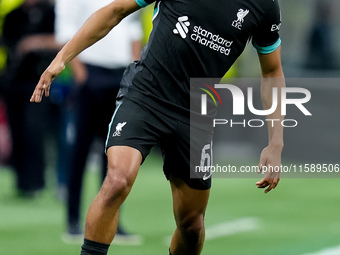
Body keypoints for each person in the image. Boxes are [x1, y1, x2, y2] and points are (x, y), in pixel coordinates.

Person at [31, 0, 284, 254]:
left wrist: (276, 143)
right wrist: (62, 58)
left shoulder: (264, 7)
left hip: (196, 114)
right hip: (146, 95)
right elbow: (115, 11)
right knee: (118, 180)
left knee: (192, 224)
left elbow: (272, 72)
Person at [53, 0, 143, 244]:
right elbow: (65, 34)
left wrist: (135, 71)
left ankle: (112, 222)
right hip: (90, 74)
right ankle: (72, 222)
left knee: (116, 151)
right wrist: (82, 77)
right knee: (79, 151)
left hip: (121, 75)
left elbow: (133, 29)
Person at [3, 0, 60, 197]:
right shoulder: (14, 15)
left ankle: (37, 181)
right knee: (17, 131)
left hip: (39, 81)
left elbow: (61, 41)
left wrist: (34, 43)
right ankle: (22, 182)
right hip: (14, 81)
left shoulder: (51, 13)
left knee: (34, 131)